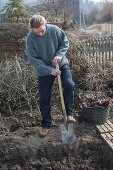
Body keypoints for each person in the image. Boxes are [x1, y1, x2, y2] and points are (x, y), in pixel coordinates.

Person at [26, 15, 75, 137]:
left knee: (69, 84)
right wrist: (49, 70)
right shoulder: (30, 39)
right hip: (44, 71)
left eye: (42, 31)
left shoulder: (55, 30)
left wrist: (59, 55)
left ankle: (69, 114)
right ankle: (46, 124)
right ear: (32, 29)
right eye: (37, 32)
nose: (41, 34)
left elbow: (65, 43)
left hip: (60, 64)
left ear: (45, 24)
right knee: (44, 98)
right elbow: (33, 60)